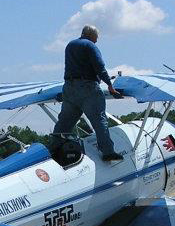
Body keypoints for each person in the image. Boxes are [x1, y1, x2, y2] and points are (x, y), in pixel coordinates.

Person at [53, 25, 124, 161]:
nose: (96, 41)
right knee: (99, 120)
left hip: (68, 87)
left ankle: (54, 149)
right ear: (91, 36)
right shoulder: (90, 46)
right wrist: (110, 85)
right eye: (96, 38)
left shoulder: (70, 45)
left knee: (64, 123)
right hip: (88, 88)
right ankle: (108, 152)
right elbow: (99, 67)